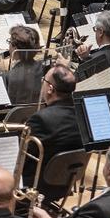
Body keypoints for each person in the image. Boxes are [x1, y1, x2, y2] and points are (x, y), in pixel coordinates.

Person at [23, 63, 82, 199]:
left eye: (44, 80)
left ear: (50, 89)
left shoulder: (41, 119)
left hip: (36, 188)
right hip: (65, 184)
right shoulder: (82, 115)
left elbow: (22, 158)